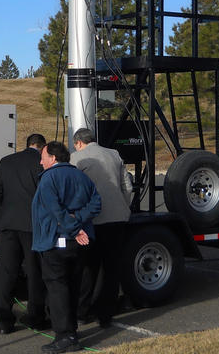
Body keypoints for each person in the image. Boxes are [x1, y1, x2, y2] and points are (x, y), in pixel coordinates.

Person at [32, 140, 101, 354]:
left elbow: (56, 211)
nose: (41, 162)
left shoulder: (49, 178)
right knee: (72, 286)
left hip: (57, 241)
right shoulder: (81, 176)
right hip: (78, 242)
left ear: (53, 158)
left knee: (58, 288)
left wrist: (74, 228)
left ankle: (65, 336)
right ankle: (71, 331)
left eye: (43, 157)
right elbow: (96, 203)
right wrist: (79, 222)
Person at [70, 127, 133, 327]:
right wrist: (124, 206)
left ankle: (82, 310)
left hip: (92, 221)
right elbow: (128, 186)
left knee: (88, 268)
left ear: (78, 143)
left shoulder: (76, 158)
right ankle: (105, 314)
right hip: (117, 218)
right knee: (112, 268)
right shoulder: (114, 154)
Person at [0, 133, 49, 334]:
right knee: (35, 274)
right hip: (33, 227)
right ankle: (35, 316)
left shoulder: (6, 162)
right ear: (43, 147)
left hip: (7, 225)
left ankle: (3, 322)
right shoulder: (41, 163)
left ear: (27, 145)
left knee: (5, 274)